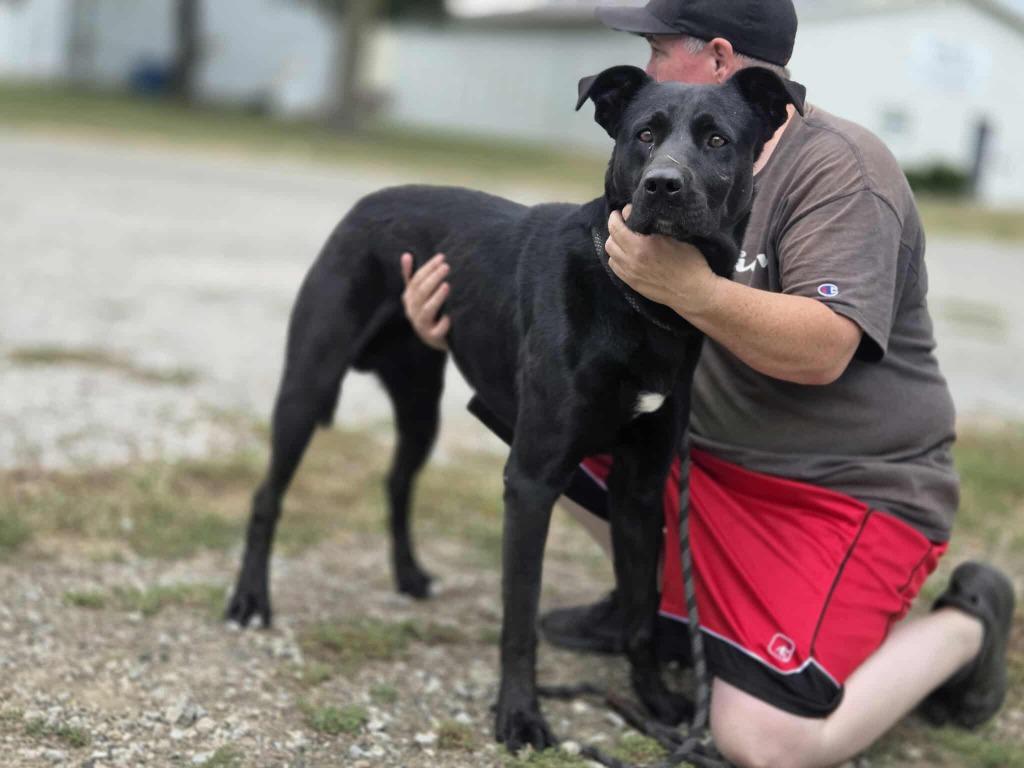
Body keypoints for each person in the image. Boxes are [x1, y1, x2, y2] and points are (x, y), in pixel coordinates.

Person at [398, 1, 1016, 765]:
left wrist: (692, 290)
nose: (650, 73)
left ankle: (968, 626)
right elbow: (550, 316)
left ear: (720, 61)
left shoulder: (840, 172)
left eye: (658, 50)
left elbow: (824, 350)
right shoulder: (656, 170)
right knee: (541, 417)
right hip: (712, 468)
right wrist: (457, 321)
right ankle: (647, 606)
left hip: (842, 493)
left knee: (763, 739)